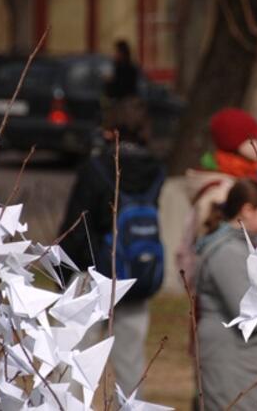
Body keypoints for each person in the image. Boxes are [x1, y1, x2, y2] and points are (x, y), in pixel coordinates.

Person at [59, 124, 164, 397]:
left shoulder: (95, 168)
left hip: (92, 272)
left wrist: (63, 272)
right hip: (135, 275)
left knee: (77, 357)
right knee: (130, 360)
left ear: (109, 134)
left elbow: (77, 223)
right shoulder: (155, 169)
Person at [196, 179, 257, 410]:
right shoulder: (227, 253)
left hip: (249, 359)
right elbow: (247, 313)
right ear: (246, 210)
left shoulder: (244, 247)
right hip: (231, 362)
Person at [177, 108, 257, 284]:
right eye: (253, 138)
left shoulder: (240, 178)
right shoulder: (221, 191)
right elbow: (213, 244)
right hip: (226, 280)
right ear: (238, 143)